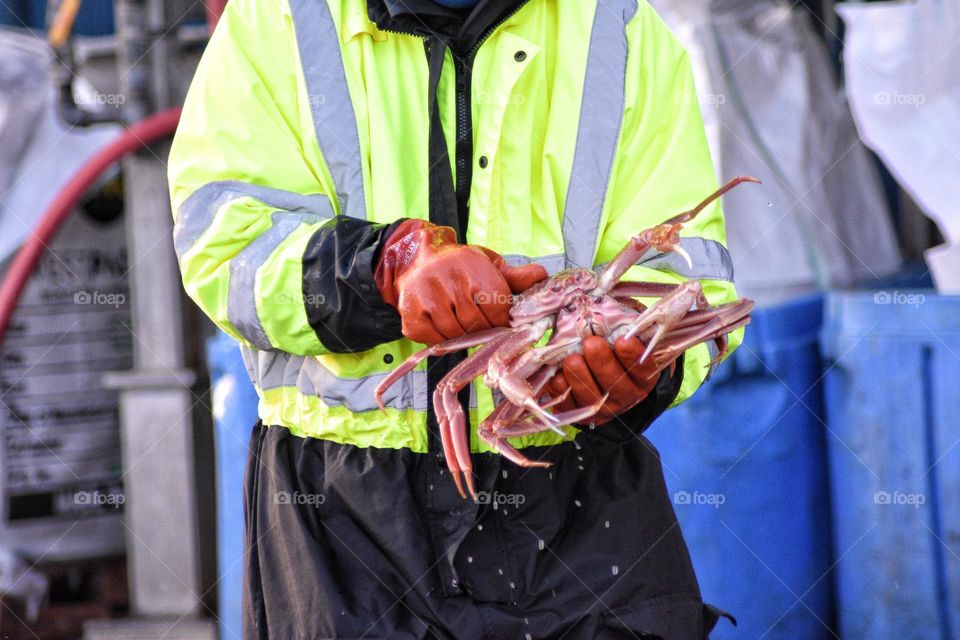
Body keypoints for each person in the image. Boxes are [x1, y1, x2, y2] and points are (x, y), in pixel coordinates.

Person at [168, 0, 743, 638]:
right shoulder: (278, 19)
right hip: (344, 520)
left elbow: (696, 279)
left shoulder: (619, 25)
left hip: (584, 497)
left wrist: (648, 366)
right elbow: (221, 250)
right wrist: (384, 265)